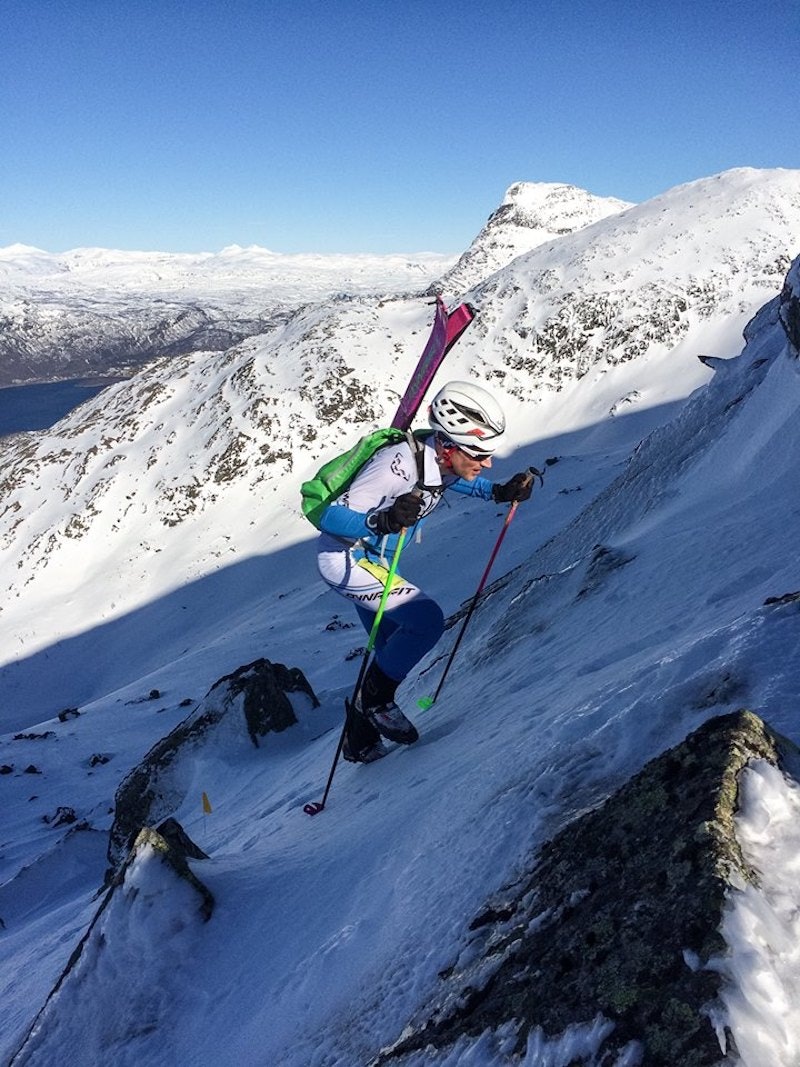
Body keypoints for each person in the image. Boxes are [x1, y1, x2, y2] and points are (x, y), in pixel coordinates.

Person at [316, 380, 533, 763]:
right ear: (449, 446)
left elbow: (449, 482)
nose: (487, 463)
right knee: (426, 621)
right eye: (479, 454)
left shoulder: (435, 458)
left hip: (374, 561)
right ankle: (377, 703)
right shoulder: (394, 467)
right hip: (346, 560)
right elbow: (331, 519)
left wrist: (497, 492)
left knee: (389, 648)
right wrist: (380, 520)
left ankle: (360, 740)